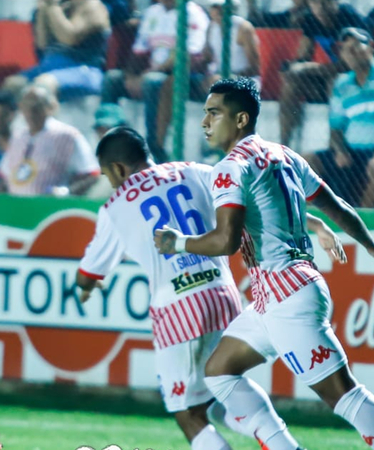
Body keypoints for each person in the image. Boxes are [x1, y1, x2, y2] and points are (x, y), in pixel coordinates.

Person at [154, 78, 374, 450]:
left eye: (214, 113)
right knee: (220, 372)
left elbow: (226, 241)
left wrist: (175, 242)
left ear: (240, 119)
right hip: (278, 294)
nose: (204, 122)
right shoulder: (284, 155)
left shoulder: (231, 167)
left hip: (287, 296)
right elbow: (332, 206)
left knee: (345, 397)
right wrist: (369, 244)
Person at [77, 126, 346, 450]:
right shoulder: (196, 171)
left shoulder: (115, 207)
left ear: (118, 169)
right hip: (222, 295)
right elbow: (253, 205)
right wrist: (314, 223)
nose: (111, 182)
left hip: (175, 309)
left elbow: (87, 273)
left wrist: (86, 287)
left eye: (108, 175)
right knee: (224, 388)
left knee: (189, 413)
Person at [306, 28, 374, 209]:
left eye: (356, 47)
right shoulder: (341, 84)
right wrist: (339, 150)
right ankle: (324, 216)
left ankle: (360, 223)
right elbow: (336, 126)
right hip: (352, 153)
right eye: (346, 49)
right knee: (305, 162)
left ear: (371, 47)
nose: (351, 53)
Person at [101, 0, 210, 162]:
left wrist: (150, 73)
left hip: (183, 77)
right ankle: (115, 142)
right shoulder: (153, 12)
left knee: (152, 82)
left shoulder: (194, 14)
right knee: (112, 79)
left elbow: (189, 56)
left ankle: (153, 148)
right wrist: (131, 76)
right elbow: (139, 50)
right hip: (151, 72)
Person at [155, 0, 261, 152]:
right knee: (171, 82)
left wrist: (226, 76)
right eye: (214, 7)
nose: (217, 11)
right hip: (214, 80)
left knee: (218, 84)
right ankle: (159, 145)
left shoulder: (244, 28)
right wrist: (188, 66)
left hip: (244, 82)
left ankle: (218, 145)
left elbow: (255, 68)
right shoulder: (212, 27)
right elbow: (207, 58)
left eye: (221, 7)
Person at [278, 0, 367, 147]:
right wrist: (290, 68)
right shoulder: (310, 19)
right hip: (327, 78)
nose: (320, 8)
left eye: (325, 3)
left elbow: (349, 66)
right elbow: (302, 57)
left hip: (358, 82)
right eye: (315, 3)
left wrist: (307, 67)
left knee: (336, 80)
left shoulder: (349, 17)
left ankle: (336, 148)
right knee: (291, 85)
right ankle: (283, 147)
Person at [0, 85, 99, 196]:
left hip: (51, 208)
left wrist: (67, 192)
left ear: (50, 107)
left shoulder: (67, 135)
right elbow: (4, 176)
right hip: (16, 208)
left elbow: (92, 174)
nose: (31, 112)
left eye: (37, 106)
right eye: (27, 106)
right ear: (21, 108)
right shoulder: (17, 137)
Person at [2, 0, 110, 99]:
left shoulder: (92, 6)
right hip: (49, 67)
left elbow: (69, 38)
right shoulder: (59, 8)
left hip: (83, 70)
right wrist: (44, 9)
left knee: (42, 85)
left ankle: (42, 119)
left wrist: (52, 6)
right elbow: (42, 44)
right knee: (12, 84)